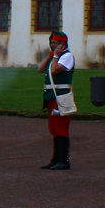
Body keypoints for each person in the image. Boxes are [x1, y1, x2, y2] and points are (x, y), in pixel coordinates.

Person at [37, 30, 76, 169]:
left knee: (61, 128)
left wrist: (56, 57)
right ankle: (55, 159)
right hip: (52, 96)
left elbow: (55, 70)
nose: (52, 45)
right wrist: (51, 57)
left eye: (54, 43)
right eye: (51, 43)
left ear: (62, 44)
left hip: (61, 95)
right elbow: (41, 69)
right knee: (54, 128)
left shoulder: (67, 56)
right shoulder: (55, 57)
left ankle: (63, 160)